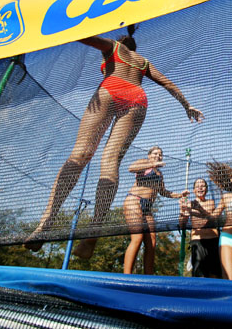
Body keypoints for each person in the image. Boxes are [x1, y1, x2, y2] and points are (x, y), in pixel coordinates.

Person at [24, 26, 204, 256]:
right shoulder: (143, 61)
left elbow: (87, 37)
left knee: (81, 153)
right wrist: (187, 105)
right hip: (137, 100)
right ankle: (94, 230)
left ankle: (46, 223)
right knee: (111, 161)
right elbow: (167, 83)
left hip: (111, 89)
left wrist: (63, 26)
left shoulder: (113, 47)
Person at [123, 146, 188, 274]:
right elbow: (131, 168)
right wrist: (152, 164)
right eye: (155, 153)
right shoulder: (144, 163)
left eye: (160, 154)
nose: (158, 156)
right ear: (149, 155)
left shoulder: (159, 174)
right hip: (134, 201)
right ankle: (126, 275)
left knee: (152, 242)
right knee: (137, 238)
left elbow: (163, 192)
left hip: (147, 207)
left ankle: (148, 276)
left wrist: (180, 194)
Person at [179, 178, 221, 278]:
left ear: (206, 189)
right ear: (194, 190)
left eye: (202, 186)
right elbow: (182, 224)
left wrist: (199, 209)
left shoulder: (211, 202)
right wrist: (182, 211)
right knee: (199, 274)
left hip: (213, 240)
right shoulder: (189, 203)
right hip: (197, 242)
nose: (200, 188)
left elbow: (212, 218)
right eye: (197, 186)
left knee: (215, 275)